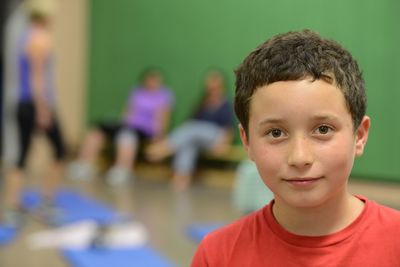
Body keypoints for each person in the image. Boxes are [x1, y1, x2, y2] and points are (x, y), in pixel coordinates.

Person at [191, 30, 400, 266]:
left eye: (322, 129)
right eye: (276, 133)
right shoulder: (217, 255)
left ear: (359, 136)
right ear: (247, 141)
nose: (300, 158)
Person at [1, 10, 66, 227]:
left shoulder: (25, 36)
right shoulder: (40, 38)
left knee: (22, 155)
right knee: (59, 150)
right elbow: (37, 77)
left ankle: (14, 206)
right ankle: (45, 203)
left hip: (24, 104)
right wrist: (43, 109)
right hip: (34, 104)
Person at [68, 69, 173, 185]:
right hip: (128, 125)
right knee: (97, 131)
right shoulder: (137, 92)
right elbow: (128, 111)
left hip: (144, 130)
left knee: (126, 136)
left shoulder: (164, 95)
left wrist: (159, 135)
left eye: (156, 81)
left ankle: (123, 169)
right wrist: (123, 123)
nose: (153, 82)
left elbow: (162, 117)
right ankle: (84, 164)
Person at [147, 70, 234, 191]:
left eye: (215, 85)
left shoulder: (226, 103)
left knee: (193, 128)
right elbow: (191, 120)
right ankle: (181, 178)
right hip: (197, 137)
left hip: (215, 136)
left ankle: (166, 147)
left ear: (221, 85)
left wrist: (224, 143)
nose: (213, 88)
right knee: (189, 143)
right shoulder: (202, 102)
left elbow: (228, 127)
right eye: (210, 85)